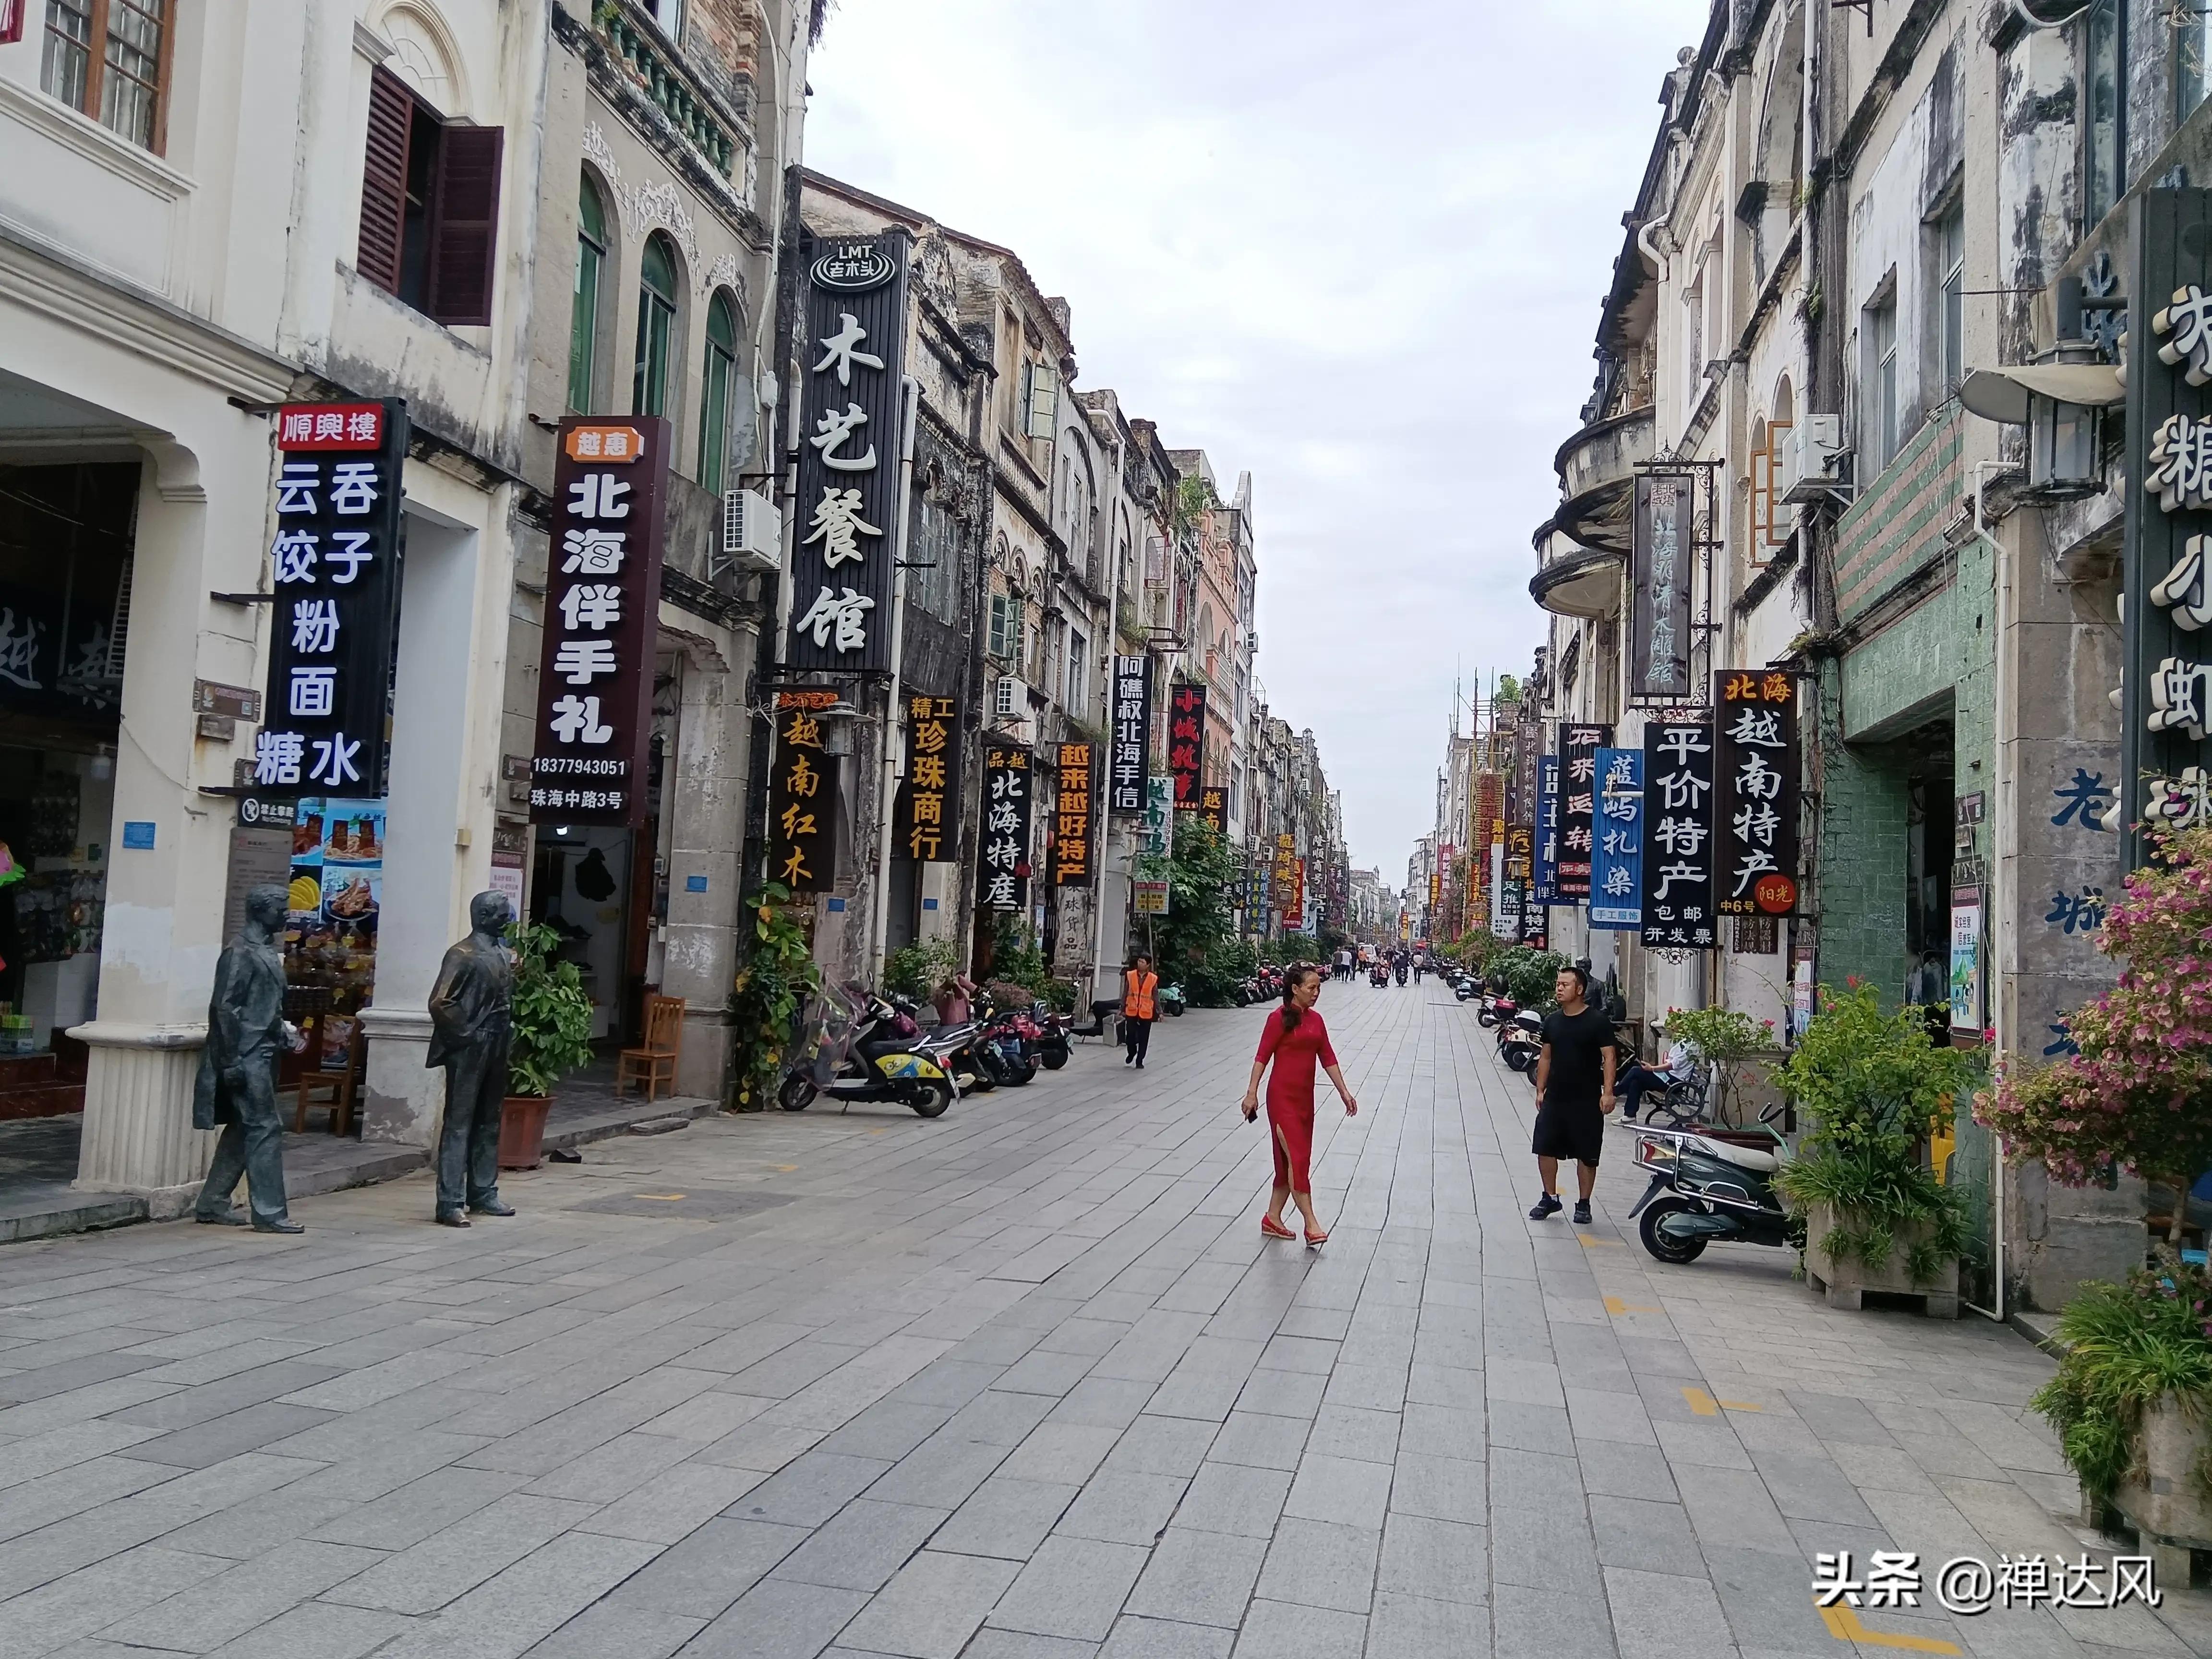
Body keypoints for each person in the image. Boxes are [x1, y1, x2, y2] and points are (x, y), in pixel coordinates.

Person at [192, 885, 306, 1233]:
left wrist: (283, 1032)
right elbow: (224, 1008)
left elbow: (263, 1005)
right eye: (281, 909)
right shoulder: (239, 952)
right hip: (245, 1053)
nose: (286, 914)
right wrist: (230, 1062)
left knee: (245, 1128)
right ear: (260, 910)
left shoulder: (265, 950)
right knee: (264, 1127)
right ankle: (270, 1213)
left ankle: (213, 1202)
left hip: (263, 1049)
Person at [1240, 963, 1358, 1245]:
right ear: (1295, 989)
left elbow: (1328, 1057)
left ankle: (1272, 1218)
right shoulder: (1277, 1019)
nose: (1317, 993)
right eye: (1311, 988)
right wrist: (1251, 1092)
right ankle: (1311, 1224)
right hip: (1281, 1099)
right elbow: (1262, 1057)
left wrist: (1344, 1092)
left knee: (1287, 1164)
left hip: (1306, 1101)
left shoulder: (1316, 1021)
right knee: (1299, 1159)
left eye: (1319, 987)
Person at [427, 891, 517, 1228]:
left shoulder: (501, 953)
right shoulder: (461, 954)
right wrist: (466, 1034)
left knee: (490, 1118)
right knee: (460, 1121)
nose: (506, 919)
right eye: (501, 915)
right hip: (471, 1044)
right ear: (483, 916)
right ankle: (450, 1201)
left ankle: (483, 1191)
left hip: (498, 1040)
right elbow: (440, 1002)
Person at [1528, 964, 1618, 1225]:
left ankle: (1584, 1203)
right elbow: (1546, 1057)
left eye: (1565, 985)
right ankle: (1550, 1197)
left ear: (1579, 989)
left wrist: (1608, 1092)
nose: (1559, 988)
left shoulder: (1597, 1022)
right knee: (1544, 1147)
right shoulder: (1553, 1021)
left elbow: (1609, 1057)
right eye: (1558, 984)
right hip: (1556, 1096)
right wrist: (1540, 1089)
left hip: (1587, 1098)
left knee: (1587, 1154)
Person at [1617, 1022, 1696, 1123]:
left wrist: (1652, 1069)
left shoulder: (1690, 1045)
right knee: (1636, 1081)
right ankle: (1630, 1115)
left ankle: (1615, 1093)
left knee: (1636, 1071)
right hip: (1669, 1076)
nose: (1672, 1029)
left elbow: (1672, 1065)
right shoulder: (1683, 1041)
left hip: (1674, 1082)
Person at [1122, 952, 1158, 1069]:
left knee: (1144, 1038)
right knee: (1130, 1036)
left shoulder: (1153, 979)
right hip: (1132, 1010)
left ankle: (1140, 1060)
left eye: (1142, 962)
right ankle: (1132, 1052)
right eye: (1139, 961)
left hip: (1146, 1011)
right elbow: (1125, 992)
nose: (1140, 964)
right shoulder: (1131, 975)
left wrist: (1160, 1012)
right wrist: (1122, 1007)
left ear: (1148, 965)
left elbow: (1155, 996)